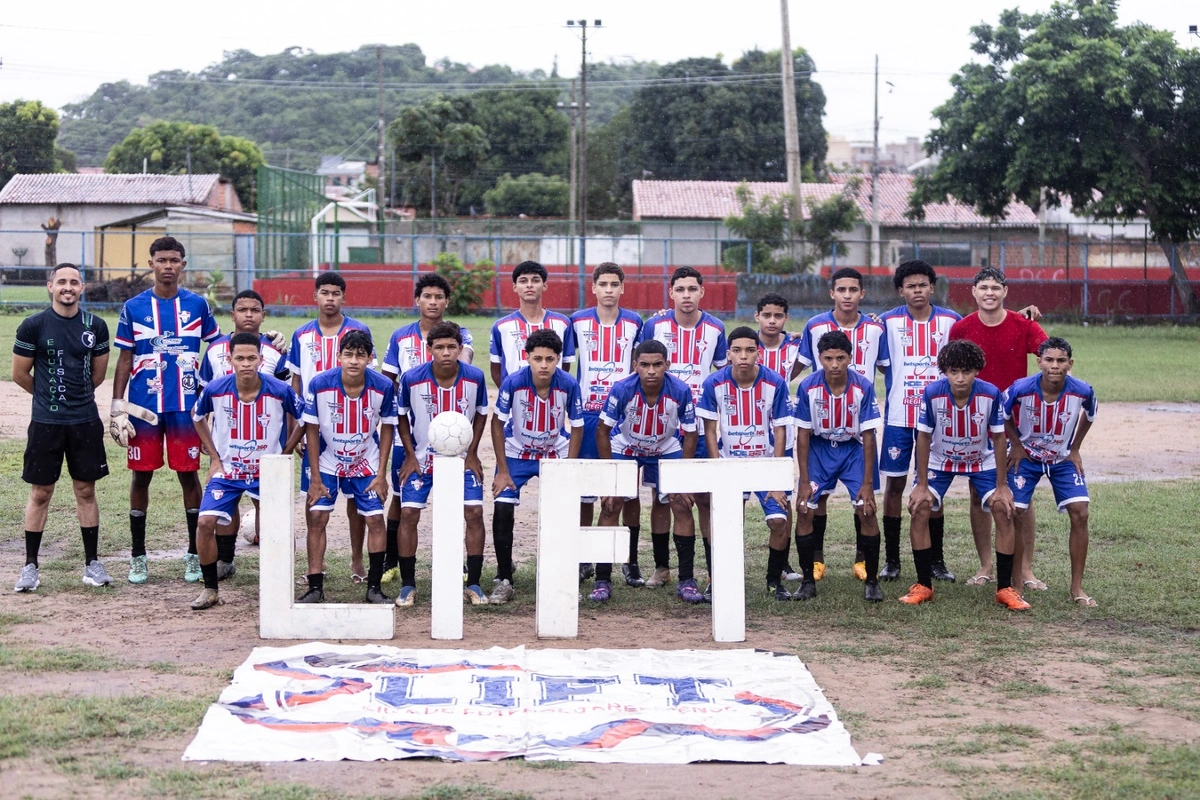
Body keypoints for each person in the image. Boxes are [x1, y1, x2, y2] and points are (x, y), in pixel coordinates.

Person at [110, 236, 220, 585]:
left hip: (186, 408)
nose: (168, 266)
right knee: (141, 475)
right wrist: (117, 406)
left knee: (189, 474)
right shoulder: (134, 307)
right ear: (152, 263)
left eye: (174, 260)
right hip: (144, 409)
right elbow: (125, 359)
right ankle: (138, 556)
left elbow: (218, 351)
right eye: (162, 260)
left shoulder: (198, 306)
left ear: (183, 265)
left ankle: (193, 552)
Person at [901, 340, 1028, 610]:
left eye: (966, 371)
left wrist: (1002, 485)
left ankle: (1005, 588)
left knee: (1004, 509)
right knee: (920, 507)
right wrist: (921, 484)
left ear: (977, 371)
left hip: (981, 461)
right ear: (945, 371)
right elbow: (922, 437)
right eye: (954, 371)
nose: (960, 378)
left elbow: (997, 438)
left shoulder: (991, 394)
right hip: (940, 460)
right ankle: (924, 585)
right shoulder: (932, 393)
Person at [12, 264, 112, 592]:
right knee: (41, 492)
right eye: (61, 282)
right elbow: (20, 374)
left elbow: (97, 376)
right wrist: (47, 397)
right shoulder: (33, 326)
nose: (67, 287)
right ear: (50, 286)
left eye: (74, 282)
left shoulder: (95, 326)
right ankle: (30, 566)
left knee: (86, 490)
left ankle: (92, 564)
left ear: (82, 287)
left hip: (84, 421)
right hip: (46, 423)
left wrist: (75, 399)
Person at [949, 267, 1049, 589]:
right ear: (974, 292)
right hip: (975, 419)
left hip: (1017, 424)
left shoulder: (1024, 325)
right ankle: (985, 565)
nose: (989, 292)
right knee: (978, 491)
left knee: (1021, 494)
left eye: (995, 287)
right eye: (983, 287)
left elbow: (1049, 356)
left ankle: (1025, 568)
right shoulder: (961, 328)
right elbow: (951, 372)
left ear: (1005, 291)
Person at [189, 333, 302, 610]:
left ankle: (277, 586)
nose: (246, 364)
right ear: (229, 360)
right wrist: (214, 457)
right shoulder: (215, 389)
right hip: (228, 471)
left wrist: (284, 453)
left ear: (261, 360)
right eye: (239, 358)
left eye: (252, 358)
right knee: (204, 523)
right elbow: (197, 417)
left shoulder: (279, 390)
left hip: (266, 471)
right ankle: (210, 589)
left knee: (275, 528)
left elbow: (305, 419)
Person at [380, 274, 475, 583]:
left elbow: (466, 364)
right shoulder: (400, 337)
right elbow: (388, 381)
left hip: (451, 429)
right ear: (416, 300)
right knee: (400, 497)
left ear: (446, 302)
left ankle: (455, 561)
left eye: (438, 297)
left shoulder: (461, 335)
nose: (433, 302)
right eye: (427, 296)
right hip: (410, 429)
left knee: (450, 496)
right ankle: (392, 561)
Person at [795, 268, 887, 583]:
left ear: (862, 293)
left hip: (855, 439)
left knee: (866, 504)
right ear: (832, 293)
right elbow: (799, 364)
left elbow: (889, 368)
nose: (847, 295)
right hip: (822, 442)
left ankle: (865, 565)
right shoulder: (813, 329)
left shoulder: (876, 329)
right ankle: (815, 564)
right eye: (841, 289)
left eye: (853, 289)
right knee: (810, 503)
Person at [639, 266, 727, 593]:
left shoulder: (716, 329)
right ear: (671, 293)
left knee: (704, 498)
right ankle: (663, 567)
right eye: (680, 290)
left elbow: (722, 378)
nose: (686, 295)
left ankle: (713, 569)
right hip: (663, 427)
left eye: (692, 289)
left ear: (702, 292)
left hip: (701, 425)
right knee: (664, 498)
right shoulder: (654, 325)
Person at [591, 340, 699, 602]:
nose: (651, 371)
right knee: (611, 503)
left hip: (665, 446)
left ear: (667, 365)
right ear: (635, 365)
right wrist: (609, 477)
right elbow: (603, 432)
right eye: (645, 365)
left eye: (657, 365)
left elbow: (691, 434)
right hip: (626, 446)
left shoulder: (680, 390)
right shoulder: (622, 389)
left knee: (681, 503)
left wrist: (683, 480)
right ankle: (602, 580)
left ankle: (685, 579)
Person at [392, 322, 490, 607]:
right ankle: (408, 585)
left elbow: (482, 413)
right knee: (408, 515)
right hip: (421, 460)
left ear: (460, 348)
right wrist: (410, 455)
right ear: (429, 349)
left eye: (452, 347)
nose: (446, 353)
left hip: (462, 460)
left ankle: (473, 582)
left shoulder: (475, 377)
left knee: (473, 513)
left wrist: (472, 453)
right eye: (440, 348)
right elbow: (401, 416)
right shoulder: (411, 378)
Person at [286, 271, 374, 585]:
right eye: (325, 292)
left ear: (343, 297)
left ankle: (357, 557)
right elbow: (295, 384)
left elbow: (369, 381)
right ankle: (316, 566)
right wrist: (293, 429)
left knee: (356, 499)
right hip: (313, 428)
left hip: (353, 428)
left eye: (336, 293)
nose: (330, 298)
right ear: (315, 296)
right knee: (316, 497)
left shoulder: (358, 330)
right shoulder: (301, 335)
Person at [877, 260, 961, 584]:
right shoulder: (886, 322)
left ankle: (937, 560)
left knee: (933, 489)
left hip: (939, 418)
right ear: (901, 290)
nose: (917, 290)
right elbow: (879, 362)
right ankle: (892, 560)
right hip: (899, 415)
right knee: (896, 484)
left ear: (932, 287)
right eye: (910, 286)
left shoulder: (951, 322)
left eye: (923, 285)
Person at [298, 330, 396, 604]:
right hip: (329, 459)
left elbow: (388, 428)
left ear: (370, 358)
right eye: (348, 355)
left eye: (360, 355)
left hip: (366, 458)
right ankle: (315, 586)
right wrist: (315, 477)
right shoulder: (320, 384)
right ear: (338, 356)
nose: (354, 361)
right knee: (317, 517)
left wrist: (381, 474)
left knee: (375, 519)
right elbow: (312, 429)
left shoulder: (383, 387)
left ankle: (374, 588)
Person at [696, 327, 793, 603]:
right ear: (728, 355)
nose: (743, 356)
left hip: (764, 465)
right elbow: (710, 430)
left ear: (758, 354)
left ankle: (774, 582)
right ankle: (717, 580)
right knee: (724, 523)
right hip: (729, 465)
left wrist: (776, 478)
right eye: (737, 351)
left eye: (750, 350)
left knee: (778, 522)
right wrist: (717, 469)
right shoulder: (713, 383)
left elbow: (781, 430)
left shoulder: (775, 382)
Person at [490, 329, 584, 605]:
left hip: (555, 451)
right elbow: (497, 423)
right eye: (538, 358)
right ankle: (504, 577)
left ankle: (563, 575)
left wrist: (569, 466)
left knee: (563, 510)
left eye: (550, 359)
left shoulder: (568, 384)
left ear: (558, 359)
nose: (544, 365)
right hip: (517, 452)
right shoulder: (513, 383)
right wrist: (503, 470)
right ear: (527, 357)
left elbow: (577, 427)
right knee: (502, 506)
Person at [1004, 337, 1098, 606]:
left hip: (1062, 459)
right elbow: (1001, 413)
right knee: (1017, 512)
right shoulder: (1020, 388)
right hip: (1028, 458)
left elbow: (1090, 414)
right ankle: (1017, 584)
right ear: (1039, 362)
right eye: (1049, 360)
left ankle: (1077, 588)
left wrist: (1075, 447)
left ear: (1070, 363)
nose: (1054, 366)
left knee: (1081, 512)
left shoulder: (1083, 391)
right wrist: (1017, 444)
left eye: (1060, 360)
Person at [197, 289, 291, 550]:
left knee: (268, 504)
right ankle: (226, 560)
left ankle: (273, 567)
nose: (248, 315)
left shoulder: (276, 349)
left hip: (267, 443)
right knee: (228, 501)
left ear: (263, 315)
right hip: (226, 442)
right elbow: (202, 393)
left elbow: (288, 396)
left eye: (254, 310)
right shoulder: (215, 350)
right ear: (232, 315)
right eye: (242, 310)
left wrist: (287, 448)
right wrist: (205, 436)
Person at [570, 263, 644, 586]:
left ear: (622, 288)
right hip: (589, 412)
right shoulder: (577, 321)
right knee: (586, 491)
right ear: (594, 288)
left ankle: (629, 559)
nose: (609, 289)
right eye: (604, 284)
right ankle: (584, 557)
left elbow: (637, 363)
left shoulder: (635, 322)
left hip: (624, 414)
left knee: (627, 491)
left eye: (615, 284)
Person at [489, 260, 574, 387]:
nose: (529, 285)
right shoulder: (501, 326)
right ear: (515, 287)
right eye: (523, 281)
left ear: (544, 285)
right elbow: (496, 369)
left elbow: (565, 365)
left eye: (535, 280)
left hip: (551, 401)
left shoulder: (563, 323)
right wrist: (510, 394)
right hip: (515, 403)